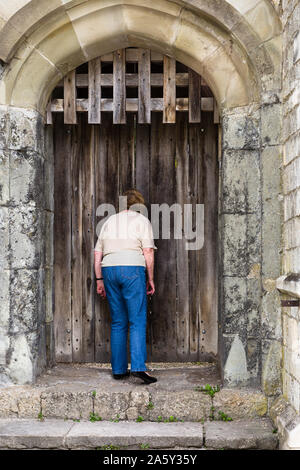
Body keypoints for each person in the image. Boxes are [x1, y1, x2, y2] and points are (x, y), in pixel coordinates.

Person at [94, 189, 157, 384]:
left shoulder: (108, 222)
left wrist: (99, 280)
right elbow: (148, 252)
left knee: (118, 321)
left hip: (109, 270)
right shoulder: (142, 221)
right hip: (131, 269)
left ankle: (119, 370)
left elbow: (97, 254)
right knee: (136, 320)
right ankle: (138, 367)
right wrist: (151, 278)